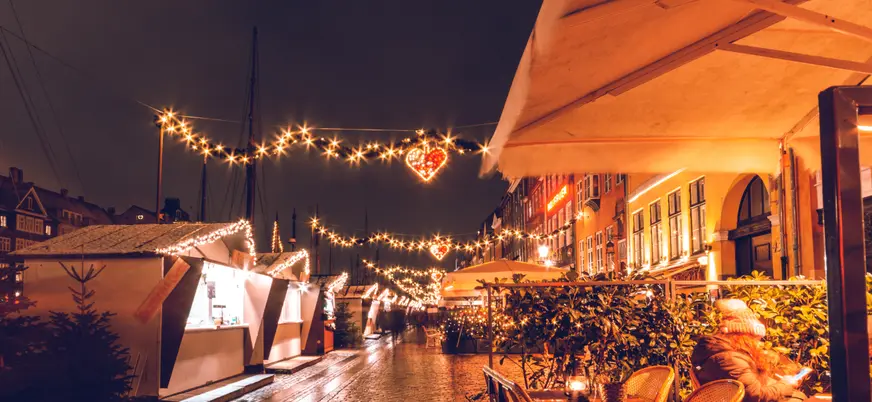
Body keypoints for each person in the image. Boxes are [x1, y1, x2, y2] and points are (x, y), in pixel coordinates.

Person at [691, 299, 806, 402]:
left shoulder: (726, 353)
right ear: (743, 337)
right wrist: (785, 384)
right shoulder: (729, 358)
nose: (758, 343)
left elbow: (752, 386)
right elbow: (757, 396)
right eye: (755, 338)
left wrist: (783, 382)